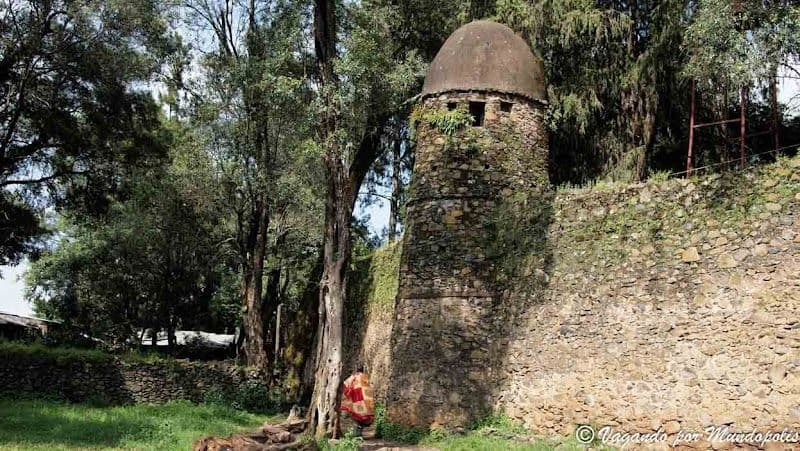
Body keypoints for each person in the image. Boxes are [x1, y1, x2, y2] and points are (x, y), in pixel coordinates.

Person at [340, 364, 375, 435]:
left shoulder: (353, 377)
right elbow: (368, 389)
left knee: (355, 415)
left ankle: (356, 433)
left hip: (357, 400)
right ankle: (359, 433)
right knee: (362, 417)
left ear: (356, 370)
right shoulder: (366, 377)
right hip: (366, 401)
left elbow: (345, 385)